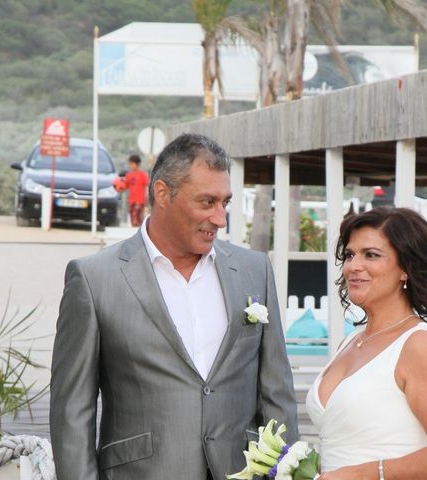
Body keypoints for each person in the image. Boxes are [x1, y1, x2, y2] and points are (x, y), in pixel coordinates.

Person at [50, 133, 298, 480]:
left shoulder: (254, 271)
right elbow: (71, 412)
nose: (220, 218)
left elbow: (277, 395)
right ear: (163, 194)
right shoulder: (94, 279)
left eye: (225, 202)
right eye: (207, 202)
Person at [306, 207, 427, 479]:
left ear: (405, 268)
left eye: (371, 255)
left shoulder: (420, 345)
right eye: (350, 255)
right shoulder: (351, 341)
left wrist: (363, 474)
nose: (353, 266)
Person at [112, 154, 150, 226]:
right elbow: (125, 186)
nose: (131, 166)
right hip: (131, 200)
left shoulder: (142, 175)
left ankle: (138, 229)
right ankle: (135, 228)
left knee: (137, 215)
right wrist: (119, 187)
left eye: (132, 164)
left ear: (138, 164)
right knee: (132, 216)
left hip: (140, 200)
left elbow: (147, 185)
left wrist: (146, 196)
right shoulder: (129, 175)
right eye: (130, 164)